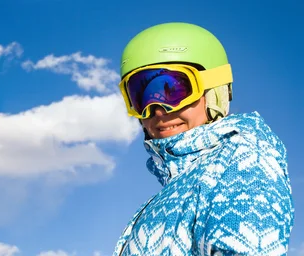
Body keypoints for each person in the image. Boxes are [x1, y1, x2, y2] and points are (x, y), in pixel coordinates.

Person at [112, 22, 294, 255]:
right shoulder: (179, 186)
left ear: (213, 91)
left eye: (173, 90)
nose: (158, 109)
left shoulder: (243, 157)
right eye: (141, 96)